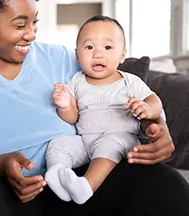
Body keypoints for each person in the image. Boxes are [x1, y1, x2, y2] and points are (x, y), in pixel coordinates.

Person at [0, 0, 189, 215]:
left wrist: (154, 127)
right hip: (2, 188)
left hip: (76, 179)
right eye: (19, 25)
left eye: (34, 22)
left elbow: (114, 100)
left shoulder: (63, 59)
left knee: (166, 184)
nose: (31, 34)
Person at [44, 15, 163, 205]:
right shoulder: (76, 81)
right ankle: (58, 174)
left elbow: (154, 100)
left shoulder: (129, 81)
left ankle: (87, 186)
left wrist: (148, 108)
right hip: (85, 140)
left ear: (123, 55)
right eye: (89, 47)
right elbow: (72, 117)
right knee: (59, 143)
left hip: (120, 138)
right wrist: (65, 105)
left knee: (110, 143)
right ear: (77, 55)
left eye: (107, 48)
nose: (98, 54)